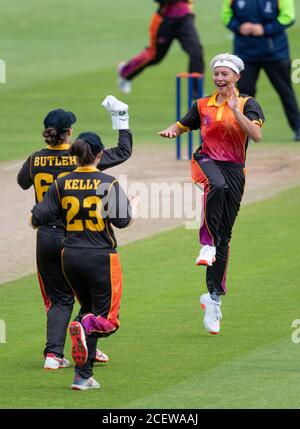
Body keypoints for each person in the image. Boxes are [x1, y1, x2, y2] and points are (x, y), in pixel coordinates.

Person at [17, 96, 132, 369]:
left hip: (45, 235)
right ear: (70, 133)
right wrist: (122, 118)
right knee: (90, 295)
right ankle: (87, 343)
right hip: (75, 237)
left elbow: (23, 182)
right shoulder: (82, 159)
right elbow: (124, 151)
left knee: (59, 298)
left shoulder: (35, 159)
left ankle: (53, 354)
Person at [158, 53, 265, 335]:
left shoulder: (248, 103)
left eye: (225, 74)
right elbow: (184, 124)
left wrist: (235, 110)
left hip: (235, 169)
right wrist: (172, 131)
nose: (219, 78)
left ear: (236, 77)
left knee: (225, 237)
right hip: (206, 160)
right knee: (215, 186)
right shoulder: (202, 104)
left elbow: (255, 135)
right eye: (216, 74)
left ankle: (213, 299)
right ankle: (205, 242)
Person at [222, 0, 300, 141]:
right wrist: (239, 27)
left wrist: (265, 29)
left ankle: (298, 128)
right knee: (245, 94)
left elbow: (288, 16)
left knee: (285, 91)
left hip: (275, 52)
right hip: (245, 53)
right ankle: (246, 131)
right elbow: (225, 16)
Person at [117, 0, 204, 94]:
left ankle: (196, 93)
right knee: (154, 56)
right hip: (165, 21)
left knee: (196, 53)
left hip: (185, 19)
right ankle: (125, 72)